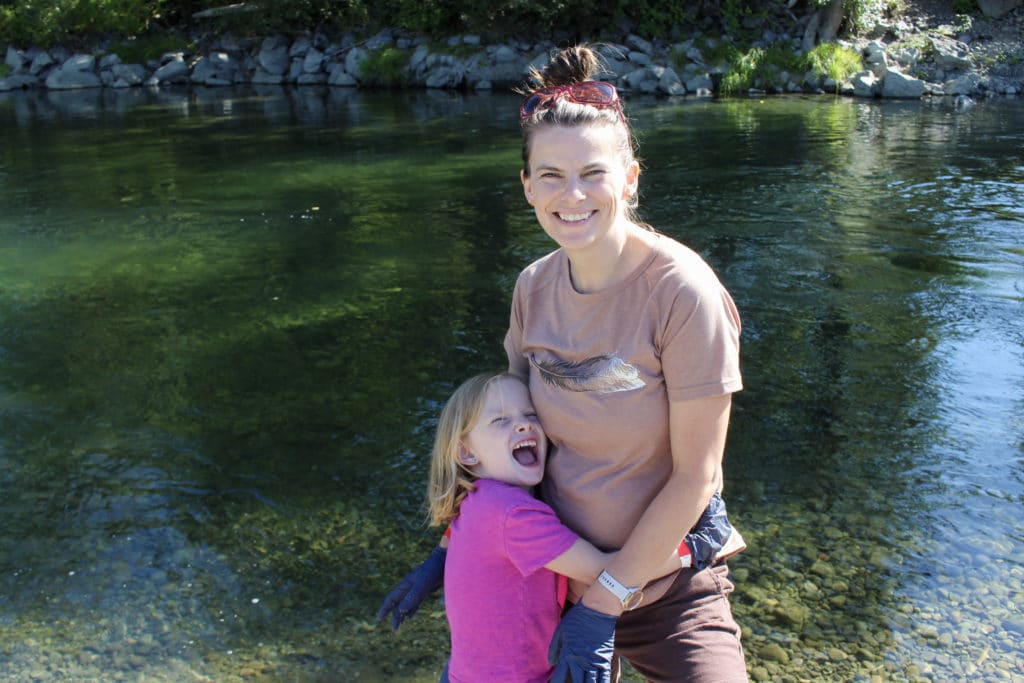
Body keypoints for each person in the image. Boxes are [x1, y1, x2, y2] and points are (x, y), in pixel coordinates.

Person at [381, 44, 747, 682]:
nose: (571, 194)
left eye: (592, 173)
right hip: (549, 587)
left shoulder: (682, 293)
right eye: (550, 175)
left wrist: (605, 604)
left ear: (630, 178)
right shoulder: (534, 287)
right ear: (527, 186)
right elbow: (504, 434)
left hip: (666, 591)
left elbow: (697, 476)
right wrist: (451, 547)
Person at [397, 370, 733, 683]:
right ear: (467, 453)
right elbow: (608, 574)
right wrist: (694, 547)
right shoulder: (512, 513)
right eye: (500, 420)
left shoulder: (475, 499)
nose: (522, 425)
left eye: (530, 415)